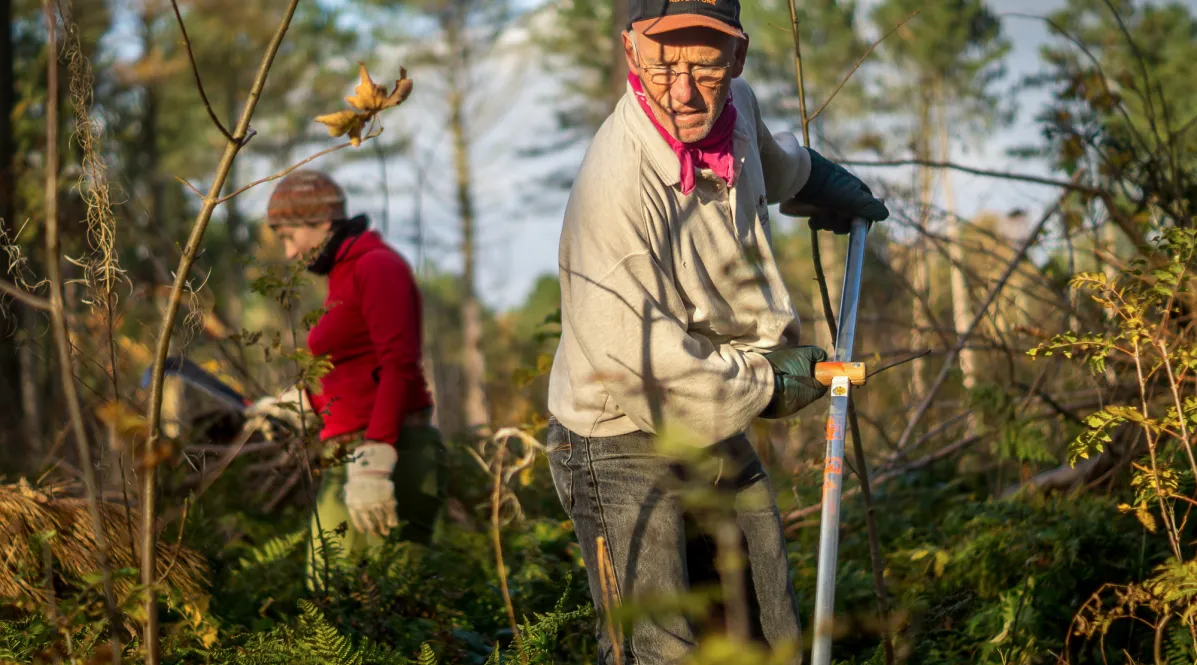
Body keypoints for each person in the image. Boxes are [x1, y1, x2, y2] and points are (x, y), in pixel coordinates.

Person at [545, 0, 890, 662]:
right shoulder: (615, 188)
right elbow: (648, 375)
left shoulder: (738, 109)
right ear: (630, 52)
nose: (682, 92)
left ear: (737, 59)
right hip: (618, 430)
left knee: (764, 623)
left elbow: (766, 159)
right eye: (661, 66)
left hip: (710, 393)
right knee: (660, 645)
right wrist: (768, 383)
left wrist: (816, 178)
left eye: (704, 67)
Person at [248, 170, 446, 589]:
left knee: (378, 602)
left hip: (390, 454)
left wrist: (374, 463)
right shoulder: (343, 274)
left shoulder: (377, 266)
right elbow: (357, 368)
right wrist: (303, 403)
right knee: (334, 595)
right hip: (353, 454)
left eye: (289, 236)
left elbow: (398, 366)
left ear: (322, 221)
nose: (289, 252)